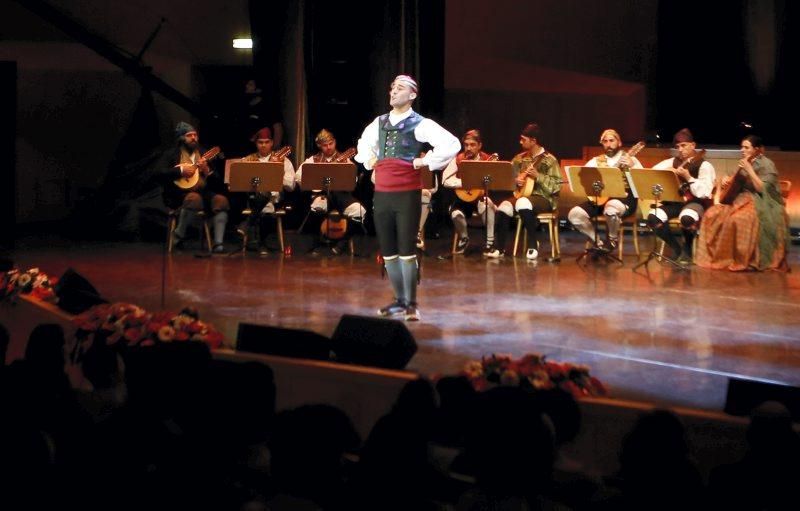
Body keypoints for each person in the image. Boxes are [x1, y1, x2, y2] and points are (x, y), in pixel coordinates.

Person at [355, 74, 459, 321]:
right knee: (389, 250)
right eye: (392, 87)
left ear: (412, 95)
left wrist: (424, 161)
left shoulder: (420, 124)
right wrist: (371, 161)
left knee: (406, 248)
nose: (393, 92)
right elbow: (363, 146)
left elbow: (451, 144)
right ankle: (398, 300)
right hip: (382, 194)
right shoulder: (378, 123)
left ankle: (410, 303)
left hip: (406, 194)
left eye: (399, 88)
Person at [695, 135, 788, 271]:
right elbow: (736, 180)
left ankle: (742, 259)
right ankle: (722, 257)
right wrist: (728, 179)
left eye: (746, 147)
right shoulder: (745, 161)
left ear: (756, 149)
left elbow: (762, 189)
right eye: (741, 147)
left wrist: (749, 169)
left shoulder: (767, 164)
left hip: (761, 201)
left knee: (738, 219)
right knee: (711, 214)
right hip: (741, 199)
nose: (742, 150)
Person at [486, 123, 562, 260]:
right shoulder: (519, 159)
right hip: (522, 196)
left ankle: (533, 244)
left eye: (523, 139)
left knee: (522, 202)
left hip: (544, 199)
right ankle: (499, 248)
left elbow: (556, 186)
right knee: (504, 206)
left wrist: (538, 176)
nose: (520, 142)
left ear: (533, 141)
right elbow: (508, 180)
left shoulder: (550, 160)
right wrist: (515, 181)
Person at [158, 122, 229, 253]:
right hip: (178, 195)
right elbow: (159, 173)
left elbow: (218, 181)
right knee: (193, 198)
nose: (193, 138)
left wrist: (207, 170)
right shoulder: (171, 154)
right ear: (181, 138)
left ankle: (218, 244)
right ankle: (178, 235)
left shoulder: (203, 154)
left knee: (221, 201)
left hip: (203, 193)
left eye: (195, 135)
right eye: (189, 135)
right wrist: (180, 172)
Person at [567, 129, 643, 250]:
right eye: (605, 141)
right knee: (574, 214)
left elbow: (643, 182)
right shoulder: (596, 161)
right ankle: (597, 242)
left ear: (619, 143)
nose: (608, 144)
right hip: (601, 199)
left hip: (624, 199)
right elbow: (583, 178)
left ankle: (612, 239)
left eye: (611, 140)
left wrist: (632, 166)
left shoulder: (630, 159)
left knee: (611, 208)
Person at [649, 128, 716, 264]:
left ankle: (688, 249)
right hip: (676, 203)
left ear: (693, 145)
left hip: (696, 203)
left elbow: (705, 192)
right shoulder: (673, 162)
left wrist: (688, 177)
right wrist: (670, 172)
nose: (680, 149)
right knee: (653, 217)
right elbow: (653, 171)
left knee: (686, 218)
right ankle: (676, 248)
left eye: (684, 145)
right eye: (678, 146)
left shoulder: (704, 165)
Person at [296, 129, 366, 254]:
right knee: (317, 206)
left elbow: (352, 182)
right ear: (319, 146)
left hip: (341, 196)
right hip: (322, 195)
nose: (328, 147)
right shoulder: (313, 160)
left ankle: (340, 245)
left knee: (359, 211)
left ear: (335, 142)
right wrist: (313, 186)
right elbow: (299, 177)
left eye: (331, 143)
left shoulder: (345, 161)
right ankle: (318, 243)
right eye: (325, 145)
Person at [237, 127, 296, 254]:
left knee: (266, 199)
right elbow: (238, 182)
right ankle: (260, 242)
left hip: (275, 199)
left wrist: (276, 170)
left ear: (272, 143)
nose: (263, 145)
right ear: (256, 143)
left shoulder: (282, 160)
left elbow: (291, 186)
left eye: (266, 142)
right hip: (252, 197)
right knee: (262, 198)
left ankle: (247, 224)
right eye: (260, 142)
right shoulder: (247, 160)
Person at [442, 129, 498, 254]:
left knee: (488, 205)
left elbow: (496, 181)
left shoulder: (487, 159)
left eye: (472, 145)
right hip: (463, 198)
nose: (468, 148)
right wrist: (464, 183)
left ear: (479, 146)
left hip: (479, 198)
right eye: (466, 145)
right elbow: (445, 180)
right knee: (455, 214)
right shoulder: (458, 159)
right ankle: (464, 238)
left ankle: (490, 242)